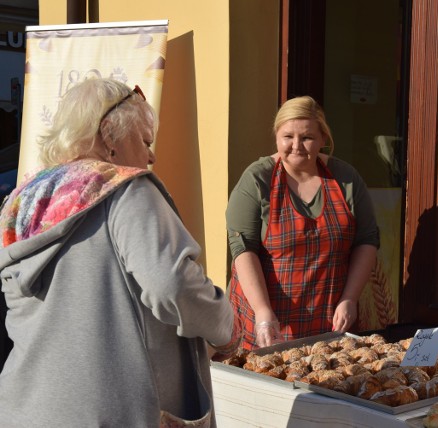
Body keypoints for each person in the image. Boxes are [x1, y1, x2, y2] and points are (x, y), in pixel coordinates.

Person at [0, 78, 242, 427]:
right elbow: (172, 284)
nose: (152, 155)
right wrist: (225, 326)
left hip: (26, 408)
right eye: (146, 141)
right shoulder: (127, 191)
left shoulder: (22, 200)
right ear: (109, 136)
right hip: (114, 412)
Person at [226, 95, 379, 350]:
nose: (296, 145)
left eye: (307, 137)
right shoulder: (257, 179)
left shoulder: (346, 179)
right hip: (264, 320)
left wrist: (350, 298)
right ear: (276, 136)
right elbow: (243, 248)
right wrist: (263, 312)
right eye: (288, 136)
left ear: (323, 139)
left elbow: (367, 240)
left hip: (330, 318)